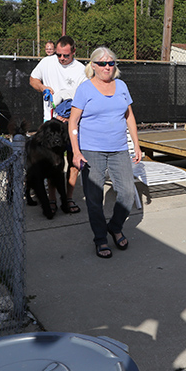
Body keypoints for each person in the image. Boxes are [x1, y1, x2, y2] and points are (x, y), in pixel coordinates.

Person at [69, 47, 141, 259]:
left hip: (119, 149)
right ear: (93, 66)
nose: (107, 67)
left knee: (127, 193)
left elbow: (129, 117)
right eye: (102, 63)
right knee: (94, 197)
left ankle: (115, 226)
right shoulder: (85, 89)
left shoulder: (121, 86)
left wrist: (136, 145)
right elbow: (73, 121)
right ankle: (100, 238)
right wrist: (76, 152)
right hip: (91, 151)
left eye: (111, 63)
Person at [30, 36, 86, 213]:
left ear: (73, 52)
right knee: (52, 163)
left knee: (73, 161)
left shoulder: (81, 70)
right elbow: (33, 80)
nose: (61, 58)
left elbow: (84, 99)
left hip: (72, 124)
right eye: (59, 55)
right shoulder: (47, 62)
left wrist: (70, 117)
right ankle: (52, 199)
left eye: (66, 55)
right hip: (50, 124)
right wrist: (43, 88)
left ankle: (68, 199)